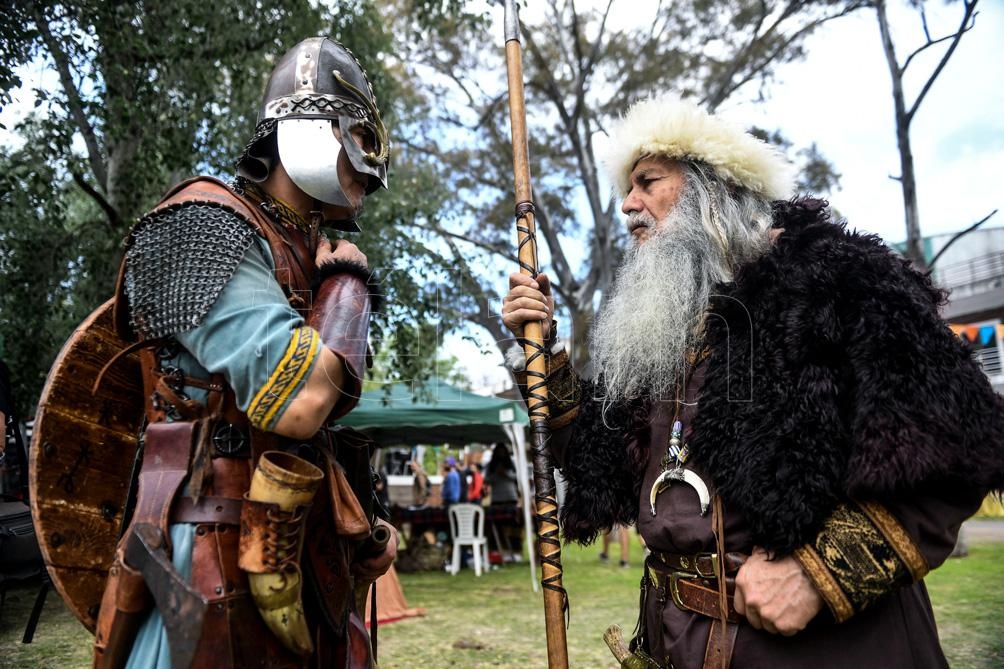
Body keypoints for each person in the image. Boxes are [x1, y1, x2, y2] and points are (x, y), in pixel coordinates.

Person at [502, 94, 1004, 669]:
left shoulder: (839, 277)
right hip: (678, 640)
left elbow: (959, 444)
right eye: (628, 187)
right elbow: (602, 462)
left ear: (712, 187)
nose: (628, 205)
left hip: (821, 652)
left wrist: (815, 575)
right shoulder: (671, 325)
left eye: (647, 182)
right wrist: (543, 356)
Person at [86, 37, 397, 668]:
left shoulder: (303, 253)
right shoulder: (202, 224)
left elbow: (317, 436)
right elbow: (301, 401)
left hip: (295, 553)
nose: (370, 165)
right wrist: (347, 284)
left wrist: (359, 523)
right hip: (209, 555)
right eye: (357, 138)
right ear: (311, 132)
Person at [484, 442, 519, 507]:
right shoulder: (490, 465)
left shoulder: (511, 463)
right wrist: (496, 474)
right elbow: (486, 480)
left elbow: (518, 477)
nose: (501, 454)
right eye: (499, 452)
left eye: (503, 452)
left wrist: (506, 474)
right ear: (495, 453)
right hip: (497, 498)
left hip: (510, 496)